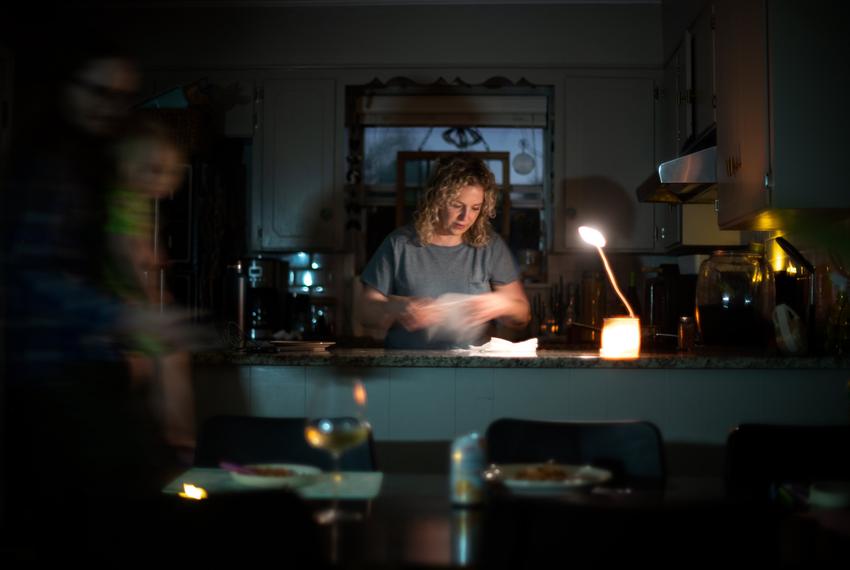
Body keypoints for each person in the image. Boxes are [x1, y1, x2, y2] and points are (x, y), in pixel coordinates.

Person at [358, 154, 531, 349]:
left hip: (473, 370)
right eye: (457, 205)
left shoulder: (489, 245)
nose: (465, 217)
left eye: (475, 208)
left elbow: (522, 314)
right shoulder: (400, 244)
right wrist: (396, 308)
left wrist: (502, 304)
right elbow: (365, 311)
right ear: (437, 199)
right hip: (406, 367)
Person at [105, 117, 196, 458]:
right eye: (155, 171)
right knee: (170, 357)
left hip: (125, 305)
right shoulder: (124, 201)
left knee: (165, 358)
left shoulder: (135, 202)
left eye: (170, 172)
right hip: (121, 306)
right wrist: (147, 289)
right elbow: (126, 250)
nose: (166, 181)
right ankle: (180, 442)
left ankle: (171, 440)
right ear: (129, 166)